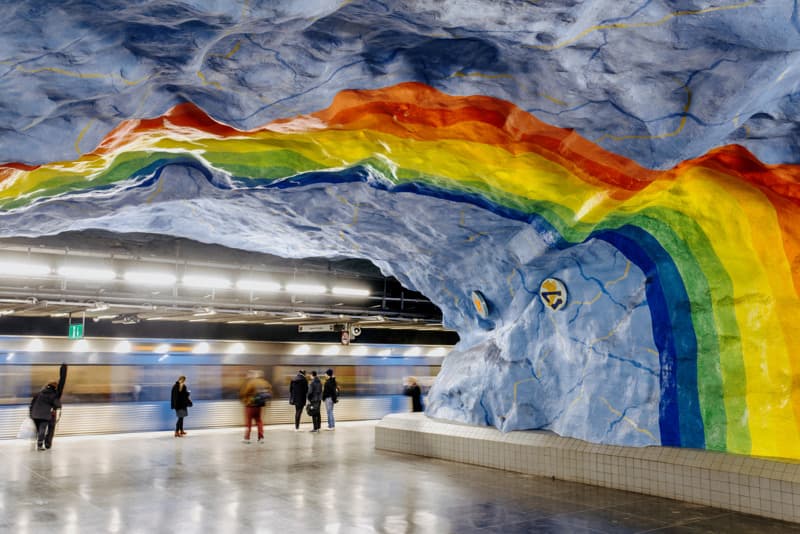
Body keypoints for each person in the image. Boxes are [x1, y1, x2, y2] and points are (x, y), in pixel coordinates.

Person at [29, 381, 62, 451]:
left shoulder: (40, 392)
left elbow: (33, 402)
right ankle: (39, 445)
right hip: (44, 415)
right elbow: (57, 405)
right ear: (55, 388)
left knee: (39, 430)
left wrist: (31, 413)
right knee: (42, 430)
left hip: (35, 414)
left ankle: (38, 442)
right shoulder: (53, 394)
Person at [239, 370, 270, 443]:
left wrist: (244, 400)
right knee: (259, 421)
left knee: (248, 422)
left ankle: (247, 438)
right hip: (259, 405)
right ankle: (261, 438)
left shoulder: (251, 382)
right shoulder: (265, 382)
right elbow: (270, 392)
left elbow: (243, 393)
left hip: (250, 405)